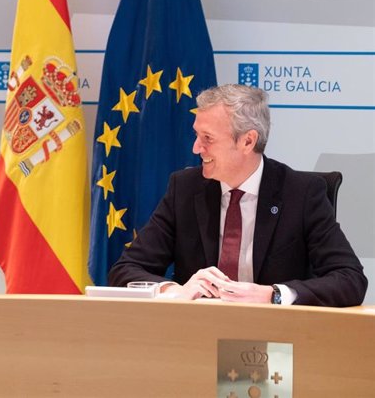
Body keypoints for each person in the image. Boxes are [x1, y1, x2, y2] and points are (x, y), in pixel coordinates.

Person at [108, 84, 367, 307]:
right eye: (197, 135)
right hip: (196, 337)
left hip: (278, 343)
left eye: (207, 138)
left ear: (247, 141)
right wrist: (175, 291)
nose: (196, 147)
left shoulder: (301, 192)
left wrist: (273, 294)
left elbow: (350, 279)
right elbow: (125, 270)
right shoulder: (185, 188)